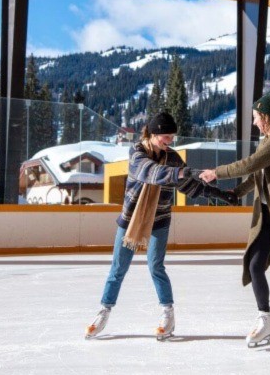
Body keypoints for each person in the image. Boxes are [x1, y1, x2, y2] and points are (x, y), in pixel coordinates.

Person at [85, 112, 236, 340]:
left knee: (156, 266)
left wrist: (220, 195)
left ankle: (167, 313)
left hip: (160, 219)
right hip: (132, 218)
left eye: (172, 137)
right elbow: (150, 172)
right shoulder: (137, 153)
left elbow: (190, 185)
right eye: (166, 136)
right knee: (118, 268)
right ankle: (104, 311)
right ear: (154, 134)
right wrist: (181, 171)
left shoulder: (172, 158)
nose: (170, 141)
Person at [199, 88, 270, 350]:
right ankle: (265, 320)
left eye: (256, 117)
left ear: (266, 117)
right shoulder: (267, 141)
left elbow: (250, 164)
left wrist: (217, 173)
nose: (254, 122)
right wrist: (236, 193)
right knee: (255, 266)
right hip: (267, 218)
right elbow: (255, 175)